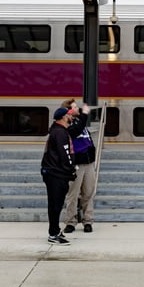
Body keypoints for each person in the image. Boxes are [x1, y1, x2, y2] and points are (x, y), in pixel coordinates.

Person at [40, 106, 77, 245]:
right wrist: (71, 169)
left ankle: (54, 231)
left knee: (55, 204)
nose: (71, 117)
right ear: (63, 117)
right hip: (56, 173)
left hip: (54, 172)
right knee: (55, 204)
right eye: (69, 115)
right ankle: (53, 234)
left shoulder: (58, 131)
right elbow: (65, 154)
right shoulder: (60, 133)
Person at [60, 99, 97, 233]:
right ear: (69, 110)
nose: (78, 109)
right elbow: (75, 132)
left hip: (88, 162)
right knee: (73, 193)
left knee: (88, 192)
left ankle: (88, 221)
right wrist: (85, 114)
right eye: (75, 107)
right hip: (76, 164)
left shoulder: (81, 122)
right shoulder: (68, 123)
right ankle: (71, 221)